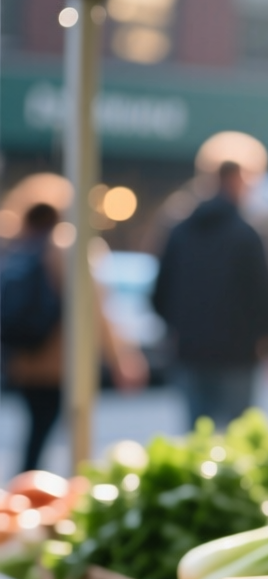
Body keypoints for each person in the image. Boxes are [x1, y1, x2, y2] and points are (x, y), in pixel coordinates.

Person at [2, 199, 148, 471]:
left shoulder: (22, 245)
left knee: (36, 435)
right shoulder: (71, 248)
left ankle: (29, 489)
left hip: (26, 360)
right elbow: (97, 311)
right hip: (62, 363)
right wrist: (120, 359)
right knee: (58, 436)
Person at [152, 161, 268, 428]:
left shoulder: (179, 231)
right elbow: (263, 294)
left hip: (190, 352)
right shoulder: (246, 234)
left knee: (197, 436)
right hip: (237, 355)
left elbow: (159, 293)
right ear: (235, 182)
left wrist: (179, 328)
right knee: (238, 437)